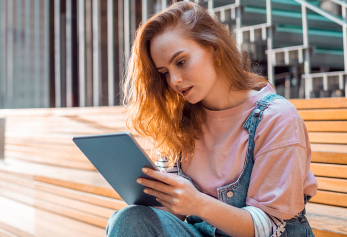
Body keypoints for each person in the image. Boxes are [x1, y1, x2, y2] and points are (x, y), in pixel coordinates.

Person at [106, 1, 318, 237]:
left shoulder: (276, 118)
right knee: (129, 219)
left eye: (181, 62)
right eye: (165, 73)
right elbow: (173, 217)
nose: (174, 80)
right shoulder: (180, 122)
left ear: (213, 48)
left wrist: (196, 203)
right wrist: (158, 195)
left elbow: (270, 227)